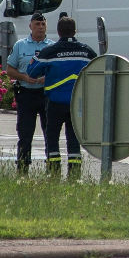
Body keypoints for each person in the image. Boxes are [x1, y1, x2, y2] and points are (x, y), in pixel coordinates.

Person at [27, 15, 97, 181]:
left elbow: (32, 71)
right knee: (74, 139)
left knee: (52, 137)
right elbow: (98, 69)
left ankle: (54, 173)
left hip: (55, 103)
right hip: (77, 104)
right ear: (75, 31)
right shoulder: (86, 51)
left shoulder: (50, 51)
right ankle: (74, 175)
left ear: (58, 32)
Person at [6, 11, 54, 174]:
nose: (40, 27)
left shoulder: (52, 47)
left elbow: (58, 71)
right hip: (26, 94)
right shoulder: (20, 45)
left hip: (46, 94)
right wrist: (24, 77)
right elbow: (10, 70)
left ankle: (52, 168)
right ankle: (23, 168)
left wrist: (47, 78)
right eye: (37, 24)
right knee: (25, 133)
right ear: (30, 26)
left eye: (43, 24)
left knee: (50, 133)